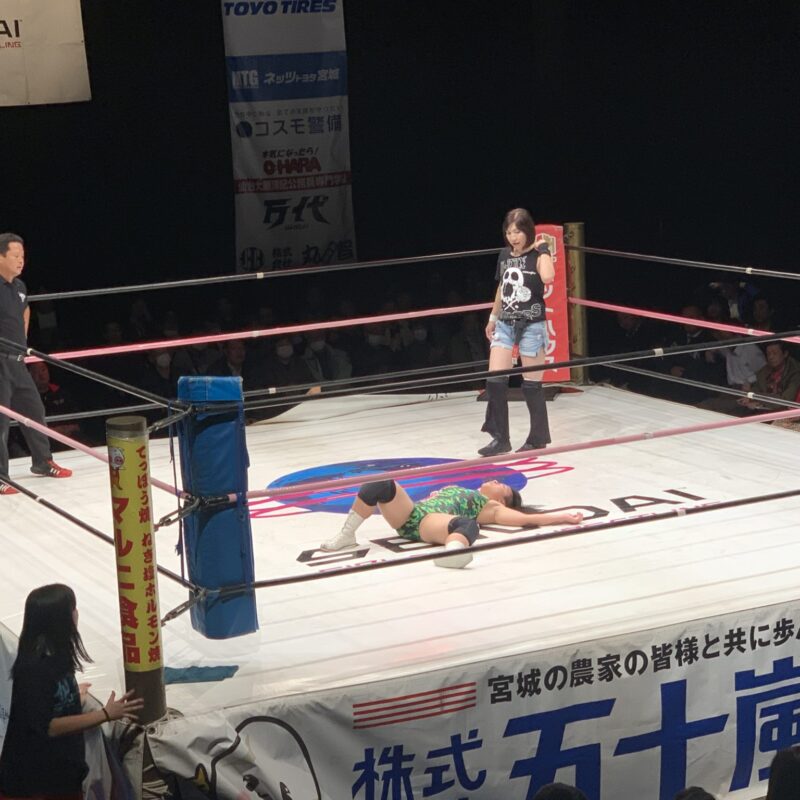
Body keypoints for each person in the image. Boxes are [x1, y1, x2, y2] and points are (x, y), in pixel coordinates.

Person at [0, 584, 143, 798]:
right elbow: (49, 726)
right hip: (35, 784)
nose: (77, 614)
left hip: (63, 777)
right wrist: (105, 714)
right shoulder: (34, 667)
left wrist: (75, 696)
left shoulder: (58, 654)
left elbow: (53, 700)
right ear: (59, 619)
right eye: (72, 609)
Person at [320, 478, 583, 568]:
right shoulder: (465, 491)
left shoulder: (490, 507)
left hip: (429, 522)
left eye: (500, 485)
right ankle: (346, 535)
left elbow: (525, 519)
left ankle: (453, 553)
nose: (495, 481)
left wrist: (560, 517)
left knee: (467, 526)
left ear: (502, 500)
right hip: (411, 513)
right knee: (380, 484)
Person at [0, 233, 72, 495]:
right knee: (1, 421)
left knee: (34, 410)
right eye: (15, 256)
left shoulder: (19, 287)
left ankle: (42, 461)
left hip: (18, 362)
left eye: (23, 256)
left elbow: (25, 310)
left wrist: (22, 340)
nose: (21, 260)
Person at [480, 208, 554, 456]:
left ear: (528, 231)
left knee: (531, 384)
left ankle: (537, 439)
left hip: (532, 324)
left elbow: (548, 277)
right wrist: (492, 317)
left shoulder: (538, 254)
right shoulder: (504, 255)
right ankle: (501, 438)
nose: (513, 237)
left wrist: (544, 249)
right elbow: (502, 288)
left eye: (518, 232)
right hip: (505, 323)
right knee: (495, 380)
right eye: (509, 232)